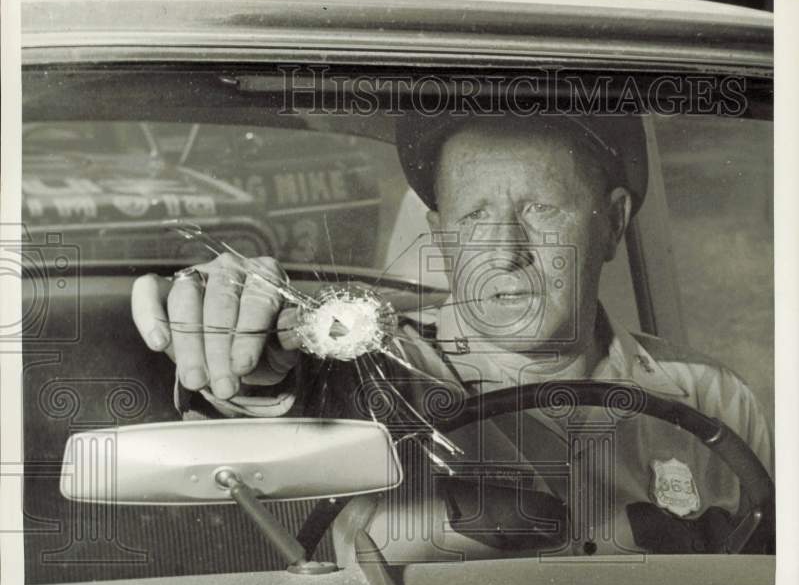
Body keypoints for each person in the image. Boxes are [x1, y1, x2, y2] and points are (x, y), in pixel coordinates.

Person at [131, 111, 773, 556]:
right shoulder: (373, 364)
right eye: (474, 216)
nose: (504, 251)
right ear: (440, 235)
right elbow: (272, 386)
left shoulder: (713, 398)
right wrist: (243, 354)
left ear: (613, 223)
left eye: (539, 210)